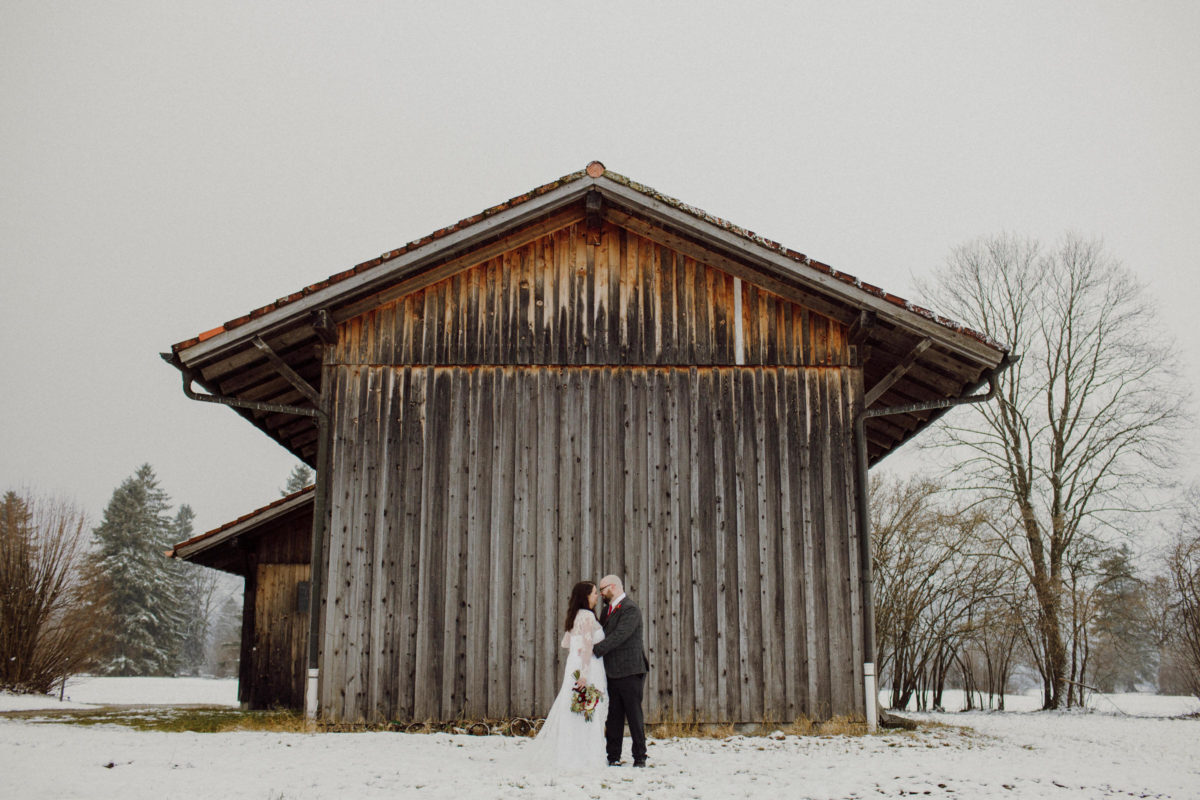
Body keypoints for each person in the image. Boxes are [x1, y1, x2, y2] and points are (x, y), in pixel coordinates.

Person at [529, 581, 609, 771]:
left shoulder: (574, 616)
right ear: (586, 596)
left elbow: (567, 643)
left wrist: (578, 648)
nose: (597, 596)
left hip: (573, 665)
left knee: (574, 712)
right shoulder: (588, 616)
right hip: (586, 668)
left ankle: (570, 753)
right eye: (594, 593)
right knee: (588, 709)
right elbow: (588, 646)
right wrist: (584, 675)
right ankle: (586, 757)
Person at [591, 575, 649, 767]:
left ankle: (640, 757)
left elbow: (619, 636)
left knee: (633, 715)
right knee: (614, 715)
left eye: (603, 589)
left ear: (613, 587)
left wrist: (596, 650)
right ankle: (613, 756)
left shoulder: (630, 609)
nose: (600, 593)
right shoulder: (607, 610)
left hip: (630, 670)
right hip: (612, 671)